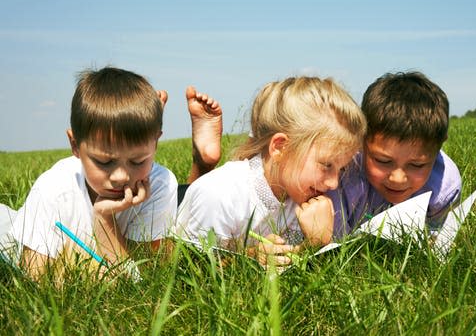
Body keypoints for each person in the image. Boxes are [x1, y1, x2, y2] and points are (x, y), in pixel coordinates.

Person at [1, 66, 180, 280]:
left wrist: (105, 219)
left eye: (138, 160)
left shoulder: (160, 184)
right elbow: (35, 279)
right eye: (104, 162)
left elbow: (146, 280)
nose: (121, 176)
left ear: (156, 144)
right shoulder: (53, 188)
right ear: (75, 145)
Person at [174, 76, 367, 266]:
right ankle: (202, 160)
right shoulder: (219, 195)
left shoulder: (300, 196)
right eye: (326, 165)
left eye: (341, 169)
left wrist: (315, 243)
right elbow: (193, 269)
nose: (334, 183)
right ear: (280, 147)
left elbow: (290, 259)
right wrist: (248, 258)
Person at [328, 71, 462, 238]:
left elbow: (439, 237)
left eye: (417, 165)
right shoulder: (343, 178)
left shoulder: (444, 187)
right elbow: (335, 244)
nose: (398, 179)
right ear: (361, 139)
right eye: (383, 161)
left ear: (439, 146)